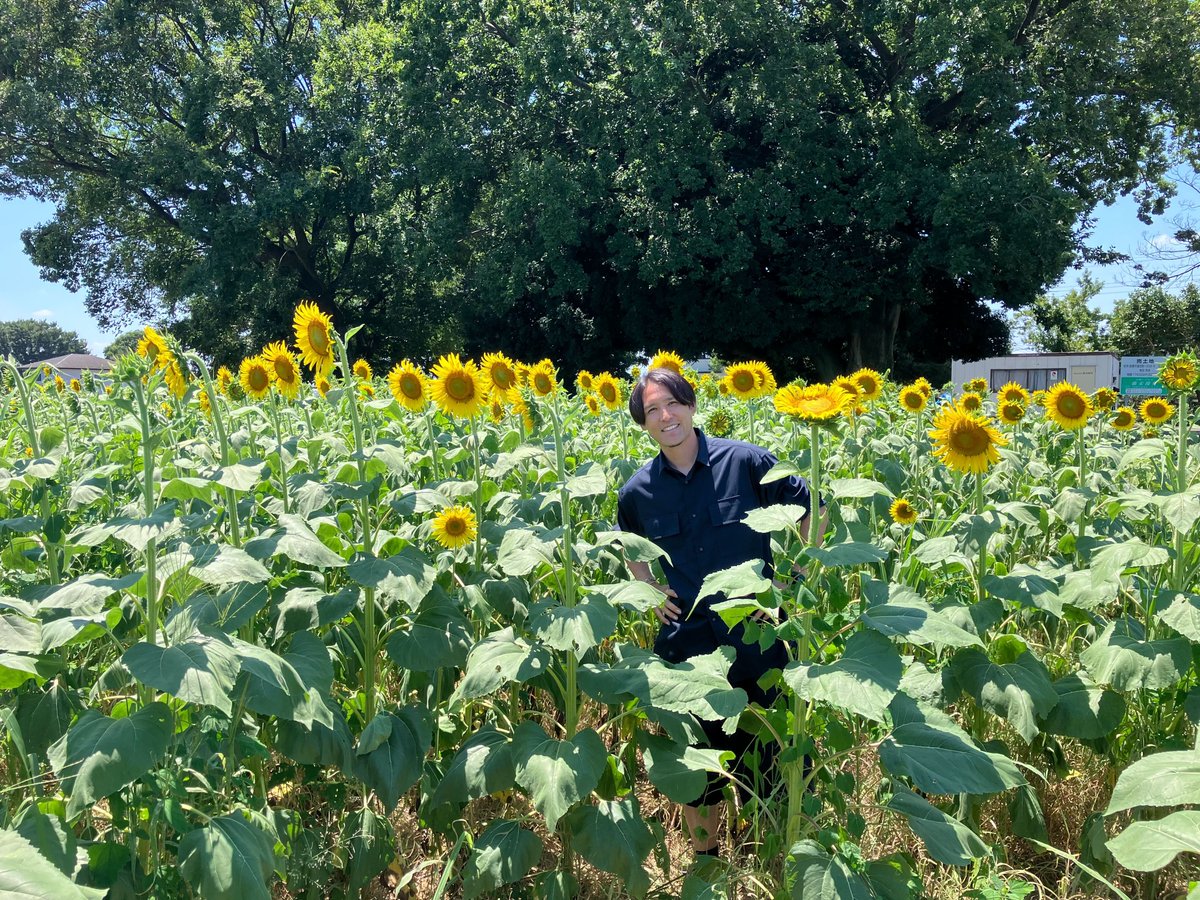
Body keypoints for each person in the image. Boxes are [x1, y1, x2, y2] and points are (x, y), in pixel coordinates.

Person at [617, 367, 826, 860]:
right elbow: (631, 545)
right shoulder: (638, 491)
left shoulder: (746, 462)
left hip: (758, 637)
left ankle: (775, 856)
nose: (665, 416)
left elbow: (811, 507)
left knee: (774, 754)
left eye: (672, 403)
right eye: (652, 410)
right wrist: (649, 589)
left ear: (691, 406)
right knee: (698, 770)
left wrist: (795, 577)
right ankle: (708, 865)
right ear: (643, 424)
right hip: (688, 647)